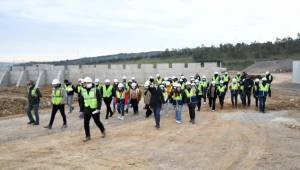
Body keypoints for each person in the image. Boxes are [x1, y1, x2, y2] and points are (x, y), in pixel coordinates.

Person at [81, 77, 105, 142]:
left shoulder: (96, 90)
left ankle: (103, 130)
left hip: (94, 109)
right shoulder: (83, 90)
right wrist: (81, 110)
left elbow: (99, 99)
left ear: (88, 83)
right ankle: (87, 136)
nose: (84, 84)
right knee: (85, 123)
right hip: (87, 108)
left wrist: (98, 108)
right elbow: (82, 100)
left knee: (97, 122)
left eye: (85, 83)